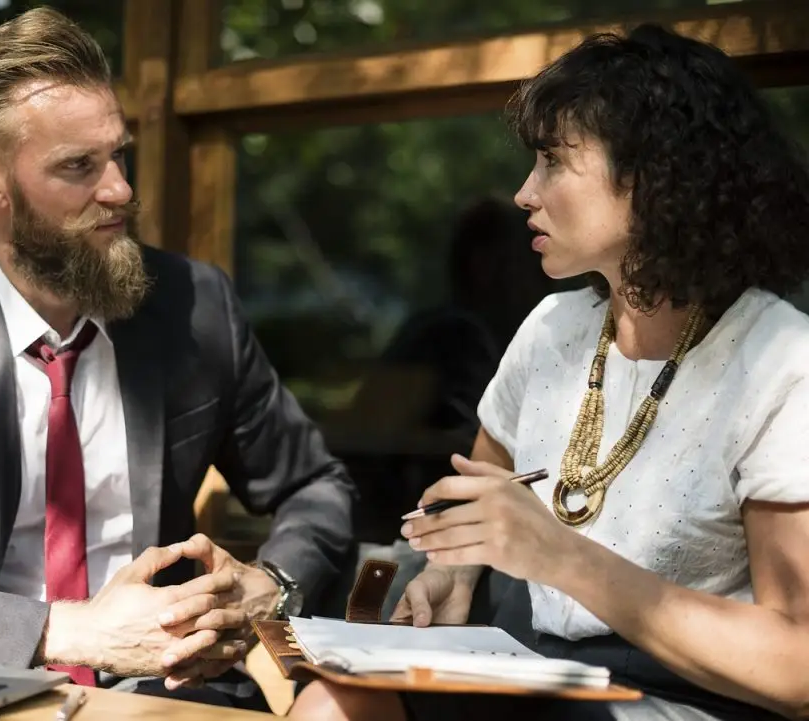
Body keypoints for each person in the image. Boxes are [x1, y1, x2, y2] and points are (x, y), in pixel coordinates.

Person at [0, 7, 355, 712]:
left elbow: (317, 485)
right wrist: (68, 628)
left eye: (118, 153)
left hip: (168, 690)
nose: (120, 188)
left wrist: (272, 582)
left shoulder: (194, 303)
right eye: (78, 167)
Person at [289, 22, 809, 721]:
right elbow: (482, 491)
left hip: (689, 701)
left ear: (654, 177)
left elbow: (797, 664)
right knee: (333, 700)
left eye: (553, 162)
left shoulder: (781, 360)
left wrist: (561, 556)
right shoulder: (552, 329)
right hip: (539, 676)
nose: (524, 193)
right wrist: (453, 569)